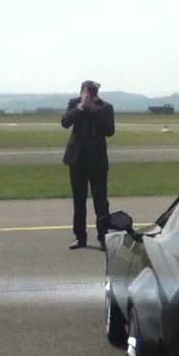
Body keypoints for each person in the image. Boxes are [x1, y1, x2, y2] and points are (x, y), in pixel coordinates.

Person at [61, 80, 115, 250]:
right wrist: (80, 108)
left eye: (93, 91)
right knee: (79, 200)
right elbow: (65, 122)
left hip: (97, 161)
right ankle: (80, 237)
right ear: (81, 92)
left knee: (101, 201)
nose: (91, 94)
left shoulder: (105, 108)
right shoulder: (74, 104)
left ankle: (103, 236)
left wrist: (95, 110)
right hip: (77, 160)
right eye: (88, 91)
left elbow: (110, 131)